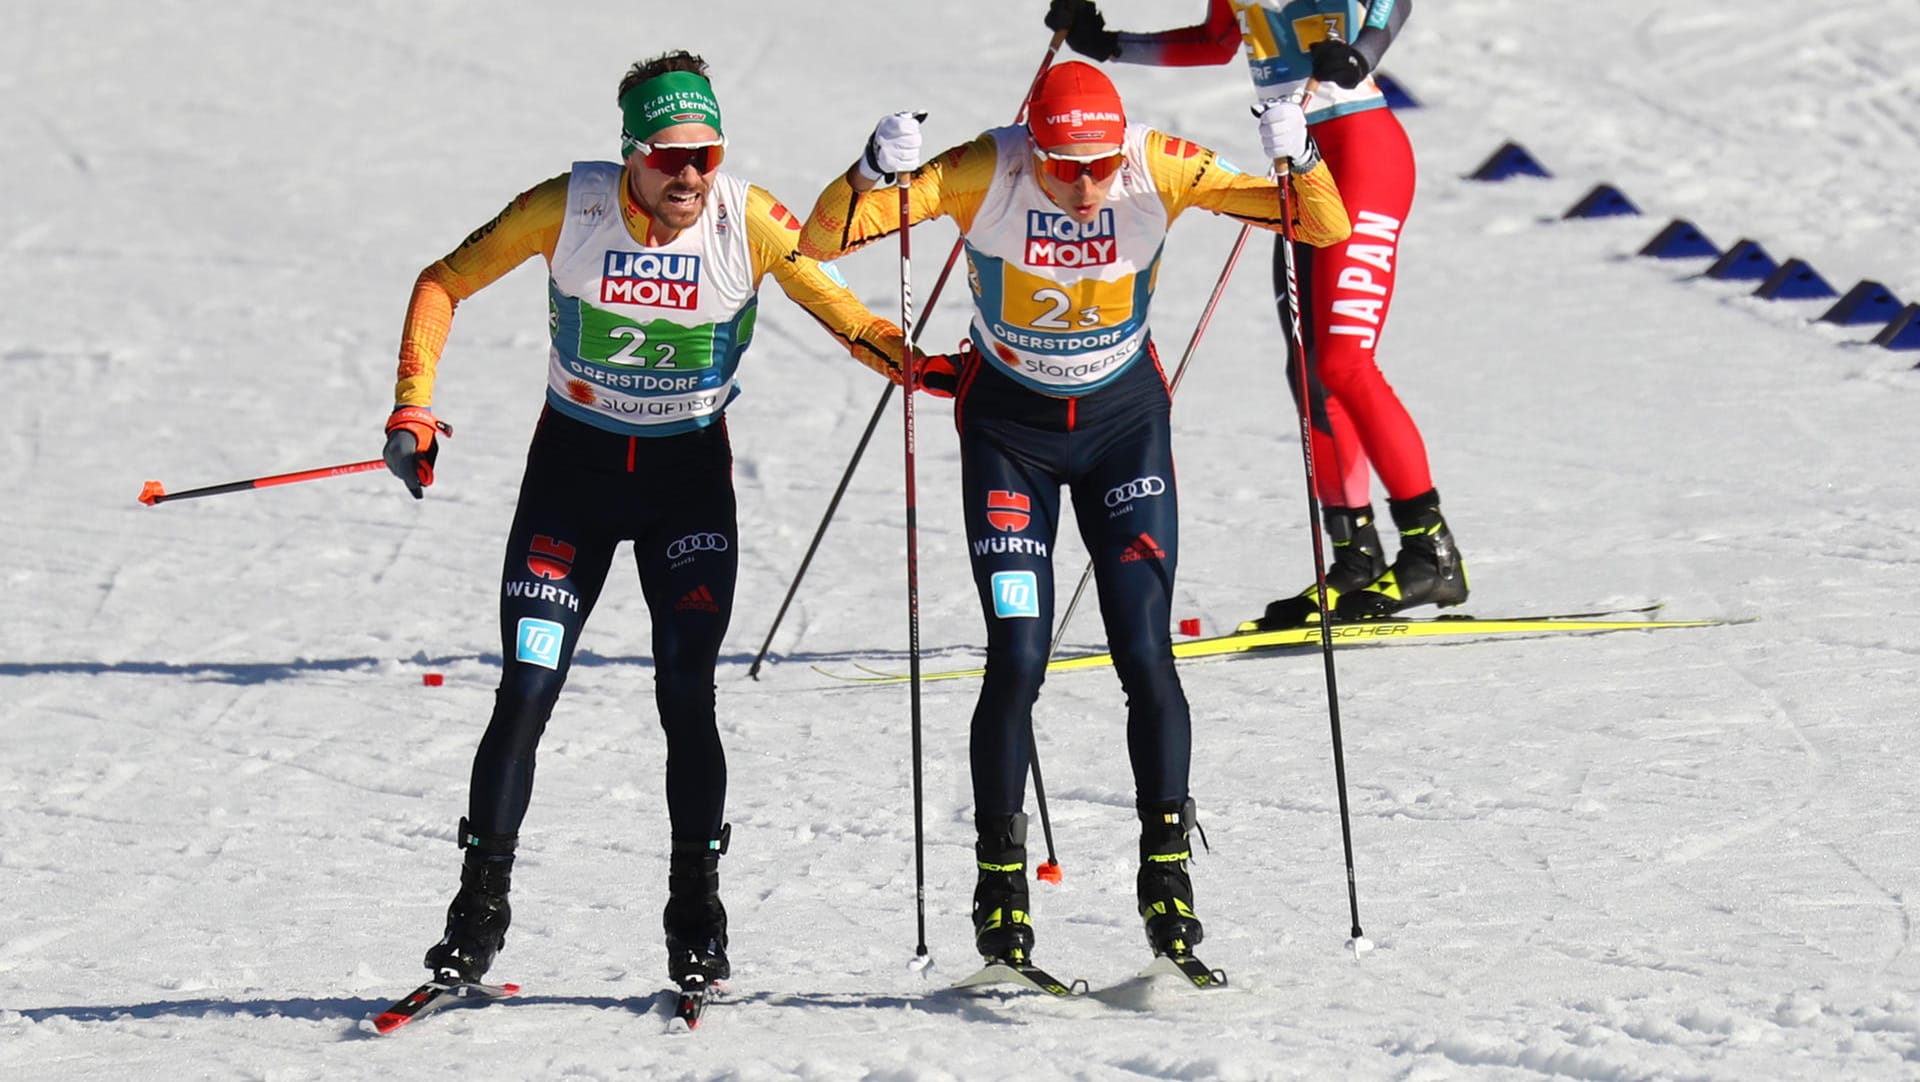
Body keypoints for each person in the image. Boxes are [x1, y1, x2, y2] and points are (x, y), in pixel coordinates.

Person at [381, 50, 917, 991]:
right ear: (629, 153)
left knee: (685, 696)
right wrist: (413, 407)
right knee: (528, 689)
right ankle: (477, 912)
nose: (690, 177)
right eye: (669, 158)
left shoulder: (745, 218)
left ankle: (696, 914)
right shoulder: (569, 206)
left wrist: (936, 368)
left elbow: (848, 317)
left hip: (685, 487)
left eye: (705, 155)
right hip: (572, 478)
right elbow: (441, 281)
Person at [799, 61, 1350, 968]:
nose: (1087, 186)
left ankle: (1167, 873)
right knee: (1018, 652)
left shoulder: (1159, 165)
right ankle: (1000, 886)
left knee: (1144, 648)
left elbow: (1317, 223)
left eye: (1099, 166)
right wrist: (867, 171)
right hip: (1009, 434)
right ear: (1033, 146)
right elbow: (826, 240)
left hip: (1122, 427)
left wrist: (1303, 158)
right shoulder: (986, 168)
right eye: (1064, 166)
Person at [1044, 0, 1469, 630]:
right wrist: (1109, 46)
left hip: (1360, 151)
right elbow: (1218, 40)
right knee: (1309, 372)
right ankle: (1354, 558)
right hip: (1301, 165)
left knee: (1345, 361)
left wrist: (1364, 53)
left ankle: (1431, 550)